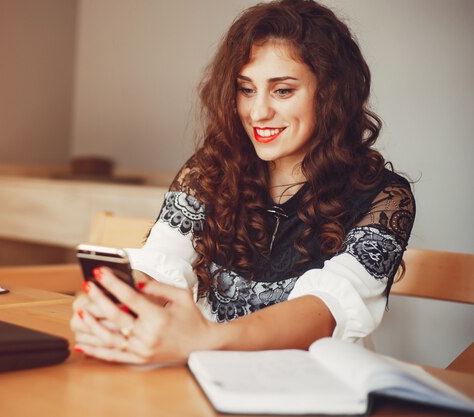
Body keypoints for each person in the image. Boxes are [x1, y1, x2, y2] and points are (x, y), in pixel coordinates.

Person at [70, 0, 415, 364]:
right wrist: (116, 308)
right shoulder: (211, 169)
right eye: (246, 89)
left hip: (313, 386)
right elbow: (160, 262)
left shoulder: (385, 197)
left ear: (331, 94)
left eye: (282, 90)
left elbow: (325, 309)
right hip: (202, 375)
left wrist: (205, 339)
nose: (257, 111)